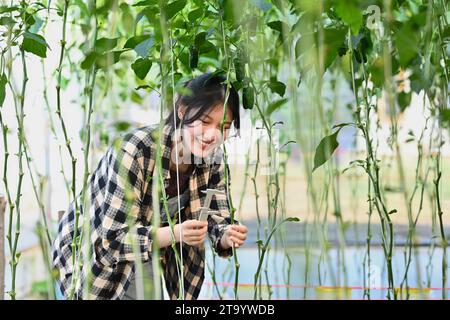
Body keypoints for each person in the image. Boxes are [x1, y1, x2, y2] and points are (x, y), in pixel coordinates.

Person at [51, 72, 248, 300]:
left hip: (149, 249)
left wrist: (226, 236)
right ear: (182, 110)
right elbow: (112, 239)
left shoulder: (213, 158)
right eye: (204, 121)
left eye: (224, 126)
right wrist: (175, 234)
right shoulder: (135, 150)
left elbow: (217, 217)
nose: (212, 135)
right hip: (94, 253)